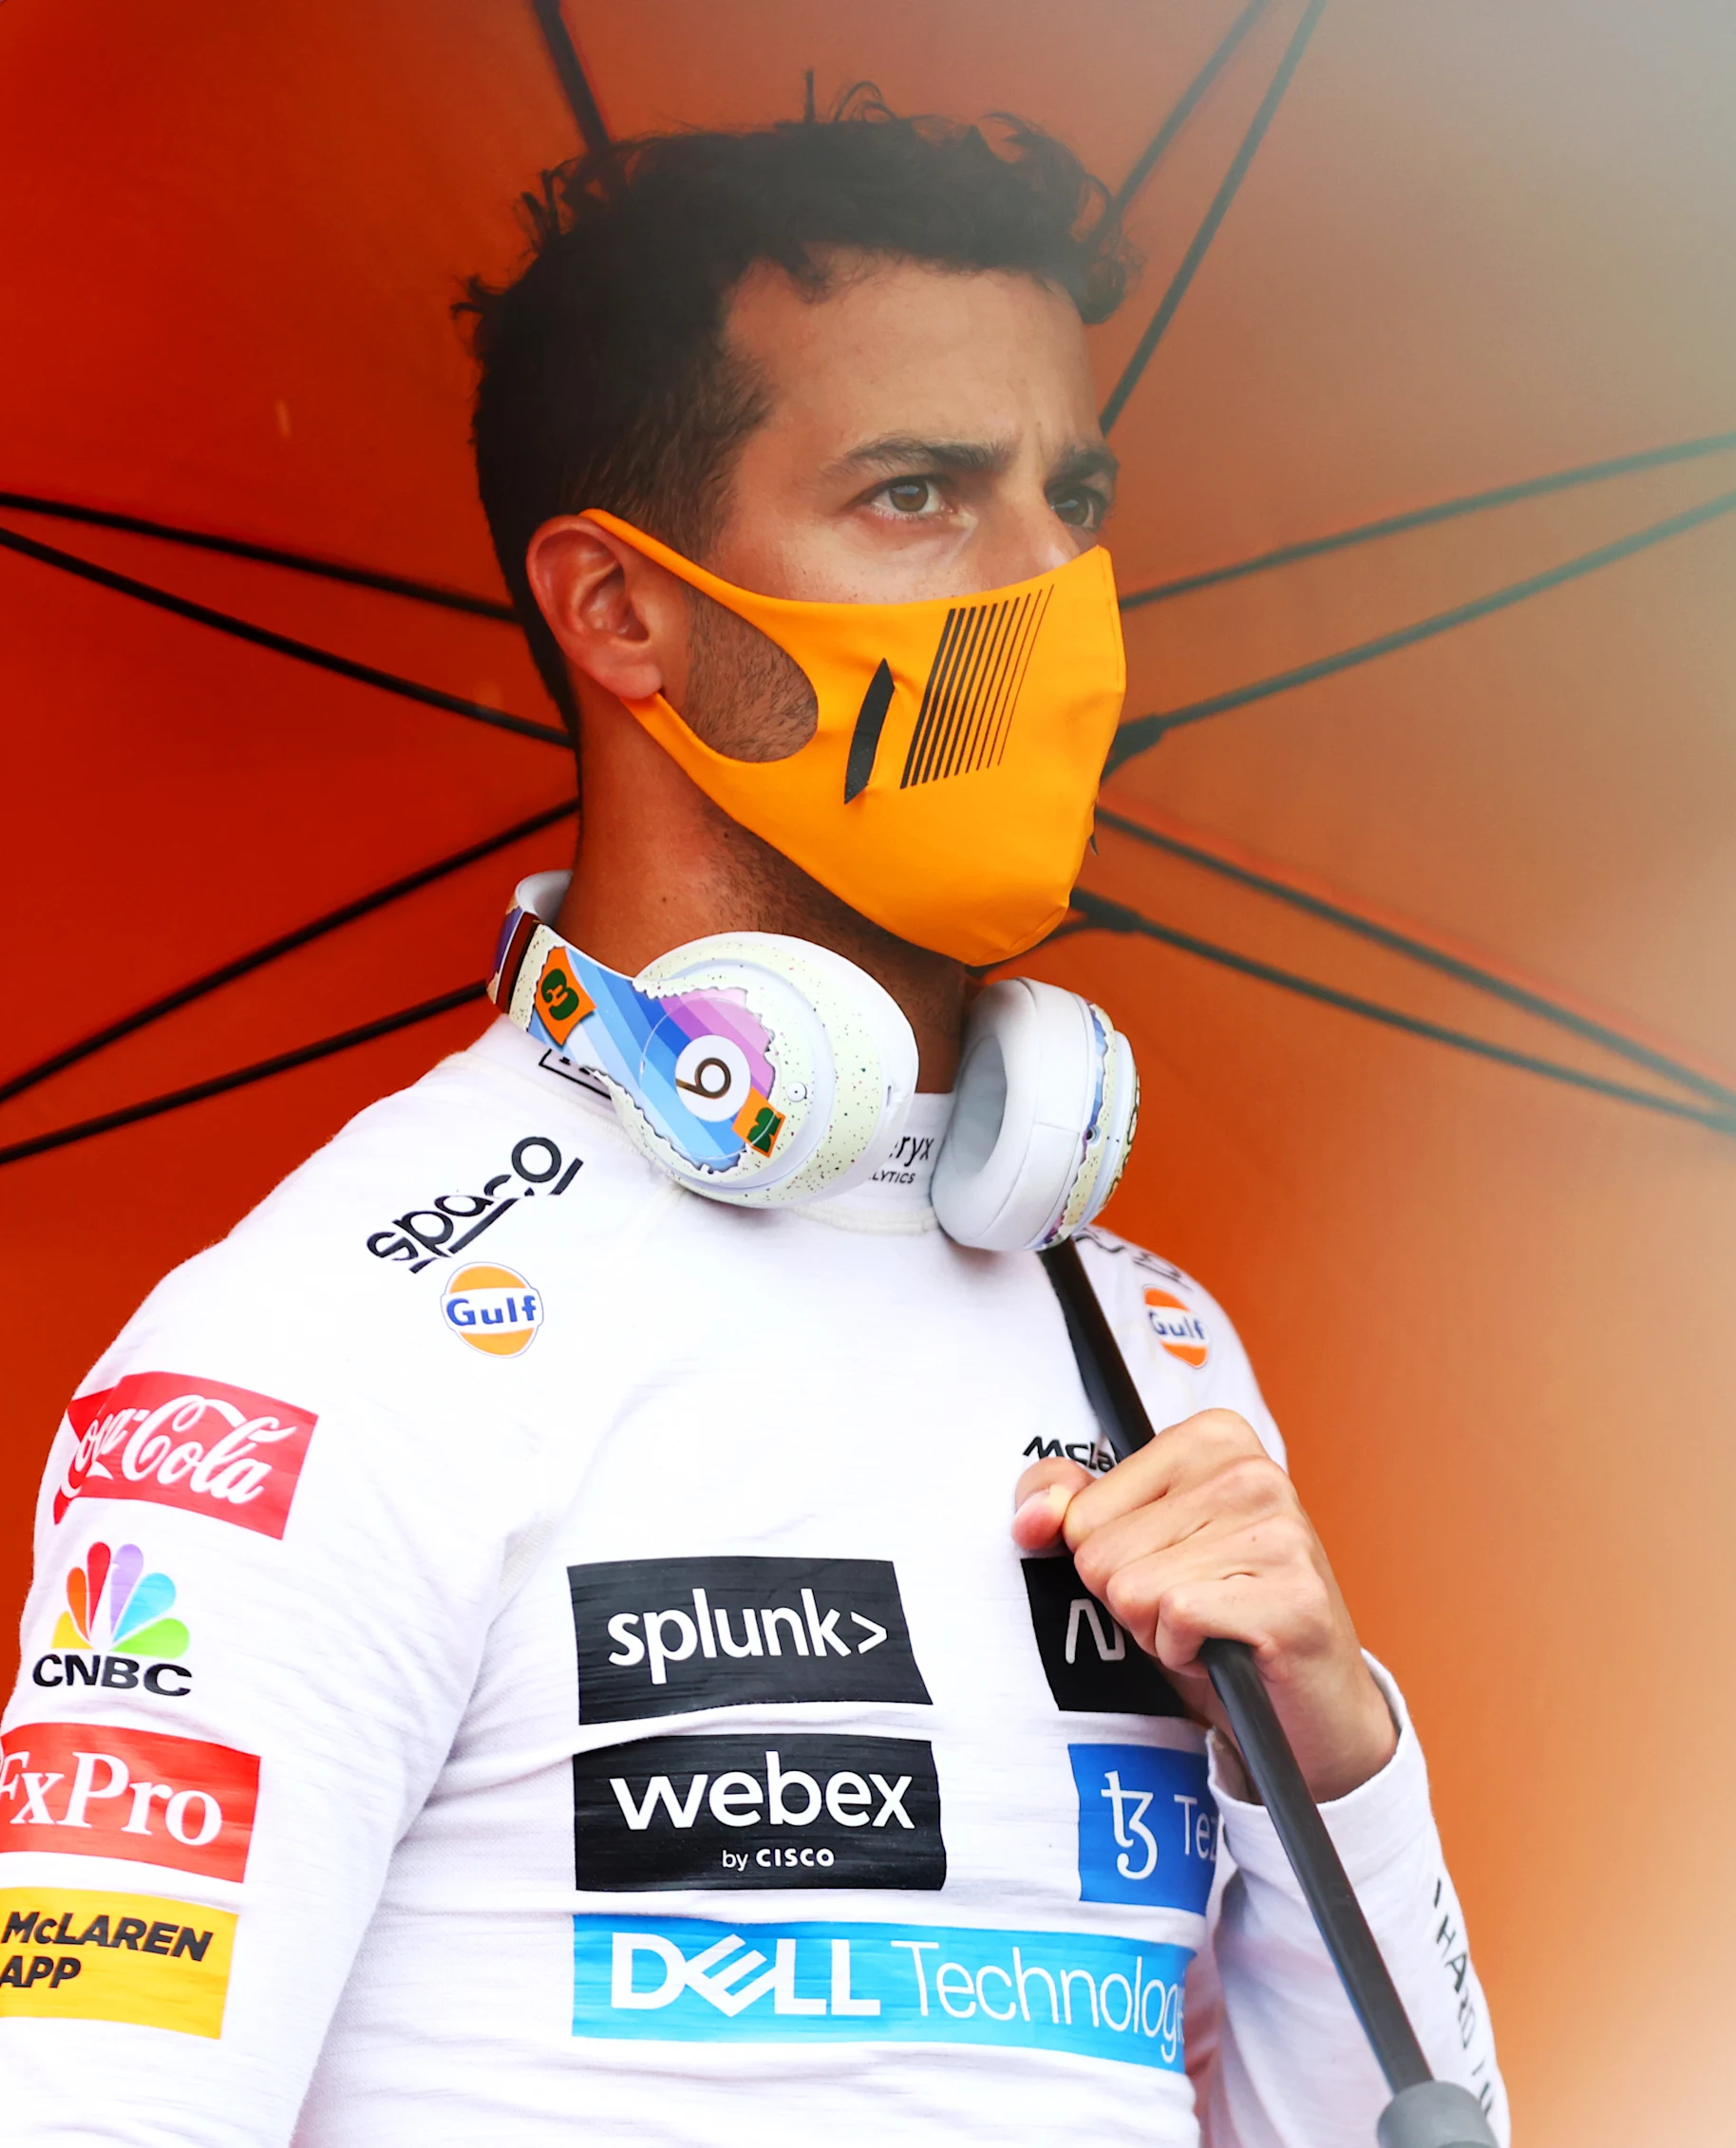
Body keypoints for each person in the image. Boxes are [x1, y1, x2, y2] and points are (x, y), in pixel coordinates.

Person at [0, 102, 1505, 2146]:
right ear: (622, 613)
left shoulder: (1147, 1351)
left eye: (1072, 497)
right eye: (916, 498)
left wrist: (1331, 1764)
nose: (1050, 599)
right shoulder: (315, 1360)